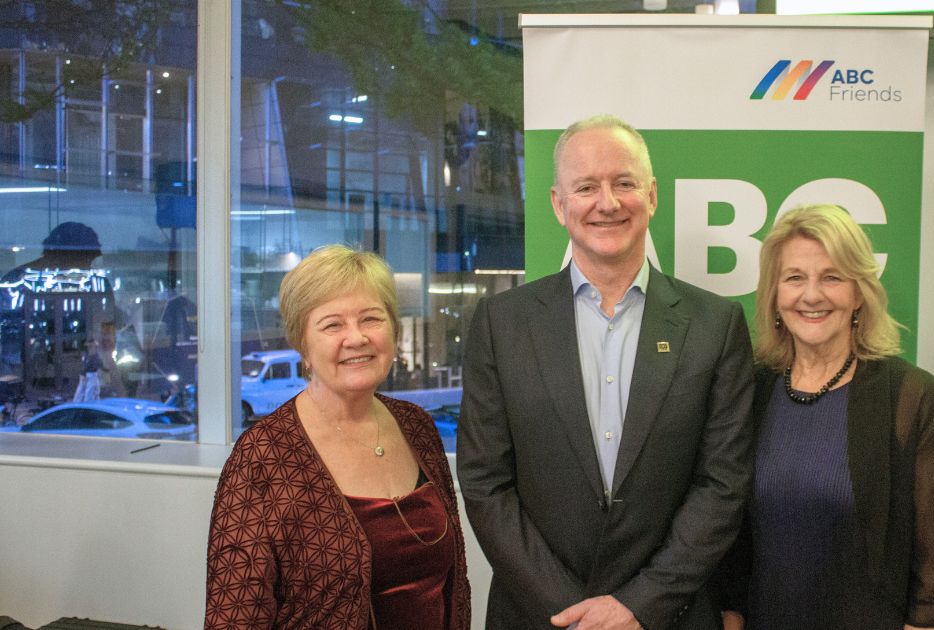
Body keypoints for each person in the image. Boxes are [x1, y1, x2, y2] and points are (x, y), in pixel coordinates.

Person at [457, 114, 754, 630]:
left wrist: (639, 604)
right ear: (559, 203)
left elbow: (722, 484)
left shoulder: (716, 325)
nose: (607, 202)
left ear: (652, 195)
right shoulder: (501, 323)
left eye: (624, 183)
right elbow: (485, 483)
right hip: (541, 616)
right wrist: (573, 613)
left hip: (669, 615)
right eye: (586, 187)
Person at [716, 204, 934, 630]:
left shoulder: (910, 397)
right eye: (795, 278)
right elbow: (732, 545)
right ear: (775, 296)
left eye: (831, 277)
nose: (811, 295)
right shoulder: (751, 391)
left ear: (858, 293)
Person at [205, 245, 470, 629]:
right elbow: (234, 619)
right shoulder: (261, 457)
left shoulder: (416, 427)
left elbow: (453, 585)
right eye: (332, 325)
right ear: (303, 344)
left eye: (371, 319)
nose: (357, 337)